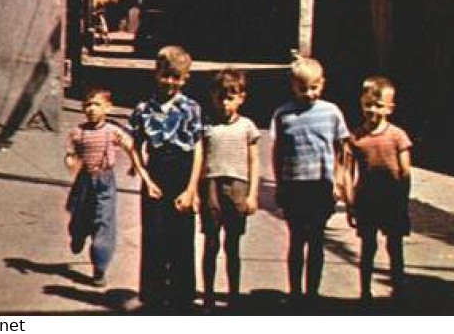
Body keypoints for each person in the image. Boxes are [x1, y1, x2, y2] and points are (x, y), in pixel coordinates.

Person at [129, 45, 203, 309]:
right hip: (156, 176)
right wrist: (146, 181)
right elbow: (135, 147)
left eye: (176, 77)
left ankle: (182, 297)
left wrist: (192, 189)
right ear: (156, 74)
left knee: (182, 238)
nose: (169, 82)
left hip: (183, 176)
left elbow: (198, 150)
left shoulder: (192, 108)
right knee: (155, 237)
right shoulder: (143, 109)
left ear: (185, 78)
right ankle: (154, 297)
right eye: (165, 75)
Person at [271, 56, 349, 304]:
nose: (308, 93)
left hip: (320, 185)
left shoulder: (331, 112)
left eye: (314, 87)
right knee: (296, 240)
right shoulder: (283, 114)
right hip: (294, 185)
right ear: (292, 85)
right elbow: (277, 151)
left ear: (322, 84)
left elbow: (342, 149)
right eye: (302, 88)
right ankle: (295, 292)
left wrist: (338, 180)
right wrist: (279, 183)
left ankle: (312, 293)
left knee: (316, 240)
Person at [345, 75, 412, 302]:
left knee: (395, 246)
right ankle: (365, 291)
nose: (372, 110)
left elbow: (405, 170)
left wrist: (403, 199)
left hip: (392, 200)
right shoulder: (356, 138)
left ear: (389, 108)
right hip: (367, 200)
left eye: (378, 105)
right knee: (368, 247)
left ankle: (399, 289)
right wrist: (350, 202)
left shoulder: (397, 136)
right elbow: (348, 171)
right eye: (368, 105)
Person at [200, 68, 260, 309]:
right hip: (211, 184)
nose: (225, 103)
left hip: (237, 186)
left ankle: (234, 295)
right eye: (220, 97)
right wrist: (195, 191)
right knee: (211, 242)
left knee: (232, 244)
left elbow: (255, 161)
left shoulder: (247, 126)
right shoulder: (206, 125)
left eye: (231, 97)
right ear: (213, 97)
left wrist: (253, 194)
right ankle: (208, 295)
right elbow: (200, 158)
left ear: (241, 98)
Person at [65, 88, 132, 288]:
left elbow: (130, 146)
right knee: (80, 217)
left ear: (108, 108)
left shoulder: (113, 131)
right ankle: (77, 235)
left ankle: (100, 266)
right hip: (85, 181)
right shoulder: (78, 132)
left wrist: (135, 164)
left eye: (97, 105)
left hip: (105, 181)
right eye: (88, 105)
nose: (92, 109)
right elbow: (72, 151)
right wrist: (70, 159)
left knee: (104, 221)